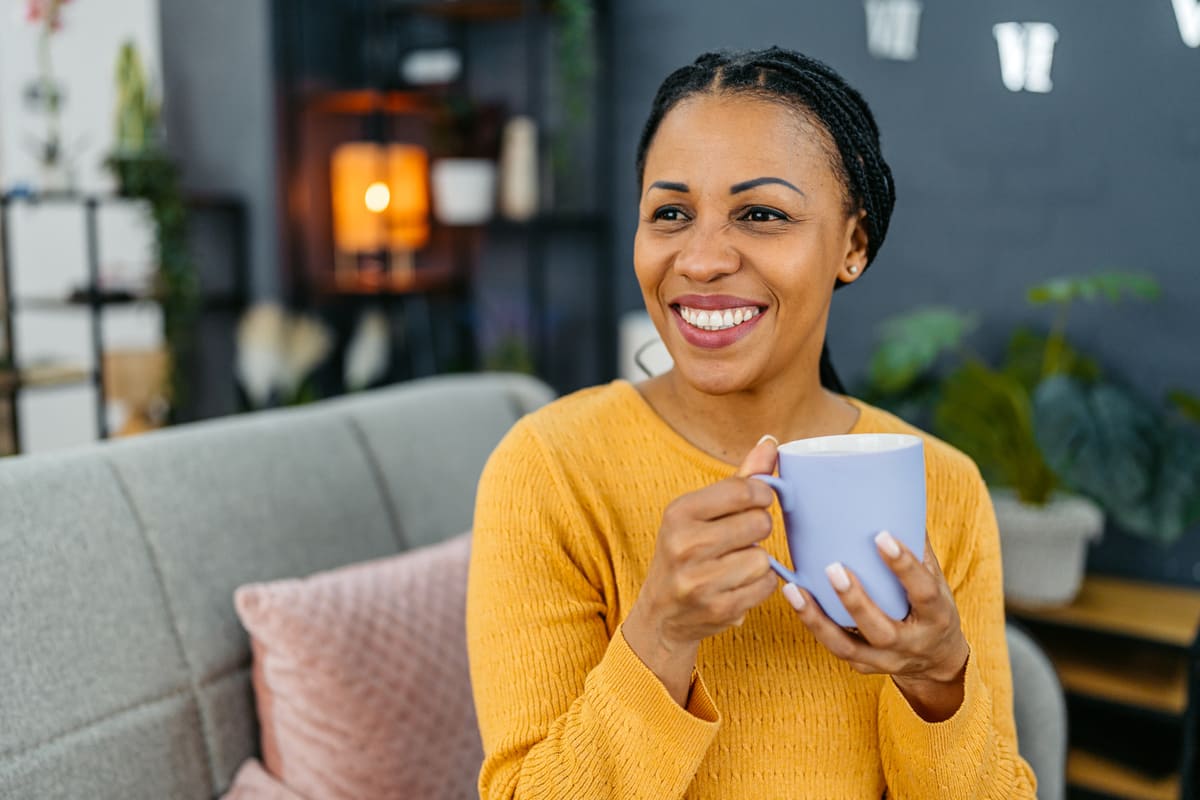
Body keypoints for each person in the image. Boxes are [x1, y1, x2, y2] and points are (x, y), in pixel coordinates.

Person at [467, 46, 1037, 799]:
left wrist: (938, 682)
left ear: (853, 244)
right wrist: (660, 637)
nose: (700, 260)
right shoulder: (549, 470)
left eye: (761, 214)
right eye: (670, 213)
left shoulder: (944, 487)